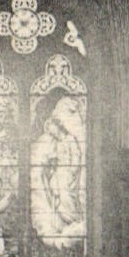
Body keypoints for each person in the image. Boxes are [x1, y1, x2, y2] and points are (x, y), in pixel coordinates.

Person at [30, 92, 85, 245]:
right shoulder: (55, 142)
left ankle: (70, 221)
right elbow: (48, 159)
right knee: (55, 193)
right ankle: (60, 225)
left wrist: (72, 169)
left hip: (68, 174)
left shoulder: (70, 140)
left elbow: (76, 157)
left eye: (54, 130)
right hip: (58, 173)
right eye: (51, 131)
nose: (53, 133)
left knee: (67, 196)